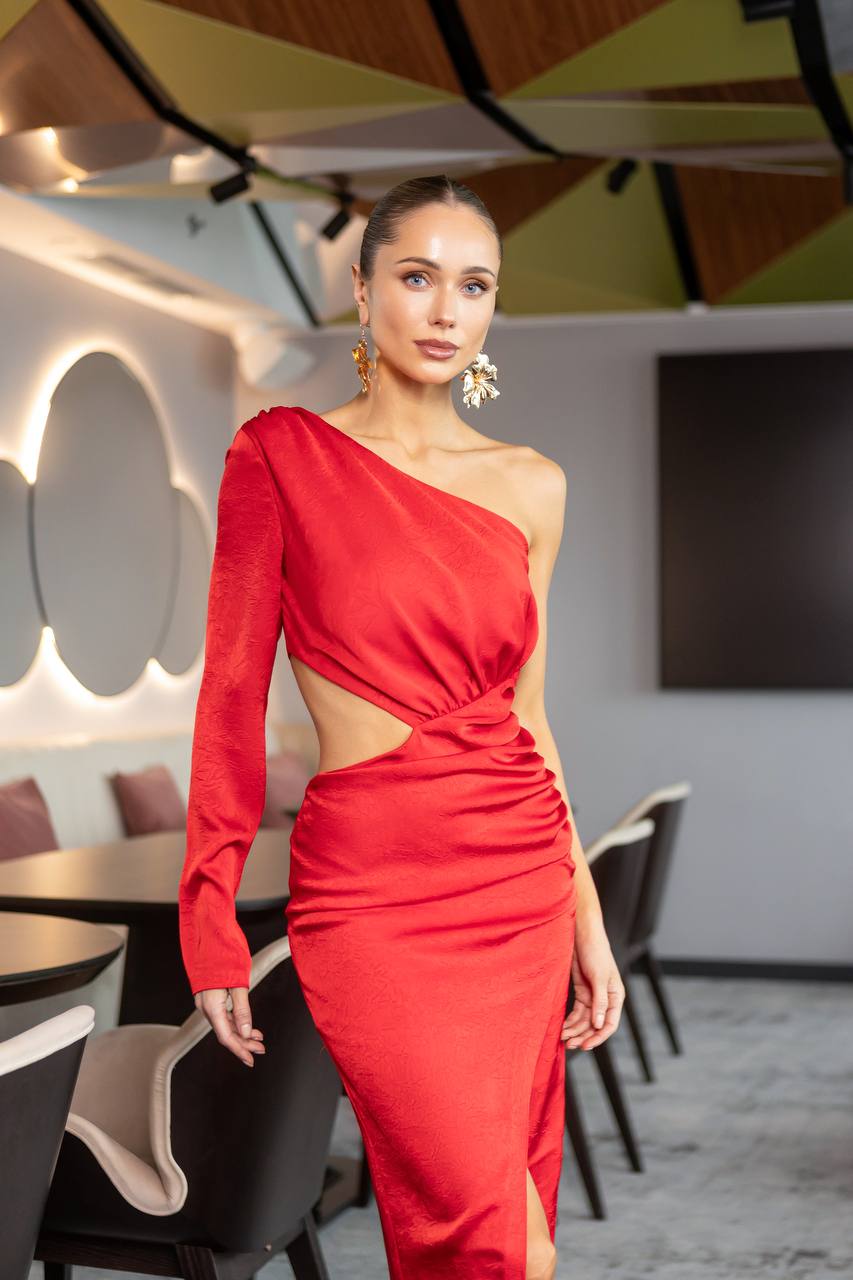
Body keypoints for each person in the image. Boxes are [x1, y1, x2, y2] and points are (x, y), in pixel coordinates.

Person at [178, 174, 624, 1280]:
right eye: (416, 276)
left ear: (490, 310)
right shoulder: (278, 456)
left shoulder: (532, 486)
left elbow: (529, 718)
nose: (442, 309)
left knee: (510, 1222)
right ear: (363, 288)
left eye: (472, 286)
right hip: (373, 895)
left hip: (517, 880)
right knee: (492, 1236)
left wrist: (587, 916)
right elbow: (229, 702)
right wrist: (210, 916)